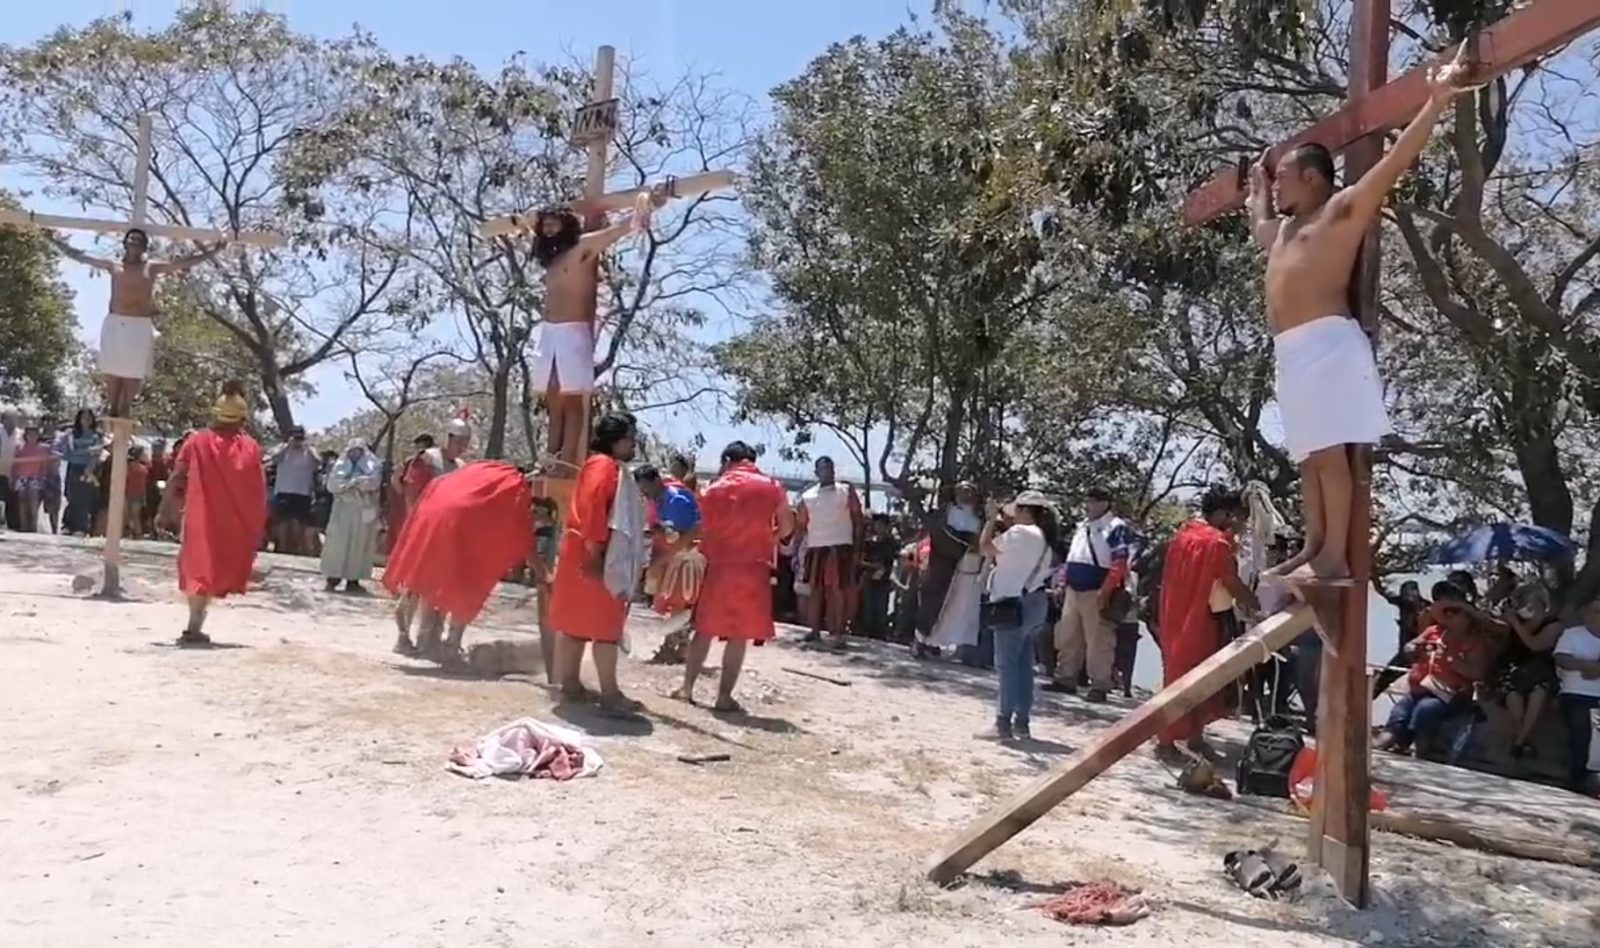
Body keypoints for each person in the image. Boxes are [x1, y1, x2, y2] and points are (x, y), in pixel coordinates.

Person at [1250, 53, 1475, 583]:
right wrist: (1258, 193)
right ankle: (1313, 545)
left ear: (1310, 178)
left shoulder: (1341, 210)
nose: (1278, 188)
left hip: (1329, 345)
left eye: (1283, 179)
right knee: (1307, 456)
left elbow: (1393, 166)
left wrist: (1436, 100)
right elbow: (1259, 224)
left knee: (1330, 454)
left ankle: (1335, 554)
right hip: (1292, 354)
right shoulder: (1282, 232)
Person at [527, 195, 655, 471]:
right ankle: (550, 457)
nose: (549, 230)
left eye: (553, 224)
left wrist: (648, 204)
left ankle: (565, 461)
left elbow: (615, 231)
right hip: (549, 333)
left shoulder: (581, 247)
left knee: (573, 400)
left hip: (572, 332)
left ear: (566, 225)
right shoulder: (549, 259)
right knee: (552, 398)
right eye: (545, 226)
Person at [46, 229, 228, 418]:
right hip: (116, 322)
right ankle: (112, 407)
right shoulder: (113, 265)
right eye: (130, 239)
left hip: (139, 325)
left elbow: (182, 263)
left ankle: (126, 407)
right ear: (124, 243)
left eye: (138, 240)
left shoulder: (152, 267)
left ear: (143, 246)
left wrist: (214, 251)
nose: (133, 242)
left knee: (133, 371)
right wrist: (54, 241)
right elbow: (81, 257)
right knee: (113, 369)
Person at [674, 440, 793, 711]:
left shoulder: (714, 488)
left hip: (719, 567)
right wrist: (767, 538)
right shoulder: (772, 487)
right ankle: (724, 697)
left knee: (704, 629)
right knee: (739, 634)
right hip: (753, 568)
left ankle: (687, 688)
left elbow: (701, 527)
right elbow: (787, 526)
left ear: (728, 460)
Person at [384, 459, 537, 664]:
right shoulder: (509, 484)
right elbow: (521, 534)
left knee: (419, 583)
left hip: (430, 519)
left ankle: (417, 640)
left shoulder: (470, 474)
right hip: (450, 526)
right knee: (458, 586)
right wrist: (542, 571)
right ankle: (446, 644)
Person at [548, 412, 646, 714]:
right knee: (605, 628)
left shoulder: (603, 466)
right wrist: (594, 555)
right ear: (615, 440)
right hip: (593, 556)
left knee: (578, 625)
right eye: (630, 438)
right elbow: (592, 511)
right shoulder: (603, 467)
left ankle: (571, 686)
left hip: (586, 553)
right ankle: (609, 694)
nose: (634, 445)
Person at [154, 385, 267, 646]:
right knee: (218, 568)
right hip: (234, 521)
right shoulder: (250, 447)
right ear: (242, 417)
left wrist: (163, 510)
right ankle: (195, 626)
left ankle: (194, 624)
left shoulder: (197, 440)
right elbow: (258, 488)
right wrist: (257, 525)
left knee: (198, 568)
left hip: (200, 517)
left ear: (215, 414)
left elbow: (176, 476)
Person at [1156, 486, 1260, 757]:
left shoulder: (1184, 535)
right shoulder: (1216, 543)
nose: (1239, 522)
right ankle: (1167, 739)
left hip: (1176, 612)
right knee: (1199, 676)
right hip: (1202, 618)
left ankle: (1192, 735)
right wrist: (1254, 604)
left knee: (1179, 672)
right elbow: (1230, 581)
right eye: (1236, 516)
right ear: (1223, 513)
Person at [1373, 583, 1498, 760]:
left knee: (1425, 710)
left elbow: (1478, 673)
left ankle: (1424, 752)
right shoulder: (1434, 632)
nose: (1449, 616)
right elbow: (1410, 646)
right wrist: (1414, 649)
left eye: (1455, 612)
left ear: (1467, 617)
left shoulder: (1474, 642)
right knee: (1400, 711)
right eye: (1447, 612)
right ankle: (1384, 746)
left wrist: (1453, 661)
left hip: (1449, 695)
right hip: (1419, 690)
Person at [976, 490, 1057, 742]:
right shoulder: (1042, 537)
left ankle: (1003, 722)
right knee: (1023, 665)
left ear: (1024, 510)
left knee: (1007, 665)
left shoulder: (1018, 533)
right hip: (1035, 601)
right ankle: (1022, 721)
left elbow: (985, 547)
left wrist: (990, 520)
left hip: (1013, 603)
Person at [1050, 487, 1135, 702]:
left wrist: (1106, 590)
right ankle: (1065, 677)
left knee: (1099, 640)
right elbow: (1073, 557)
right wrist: (1062, 582)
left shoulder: (1116, 528)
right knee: (1069, 635)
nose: (1088, 505)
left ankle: (1099, 684)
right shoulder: (1083, 526)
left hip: (1096, 589)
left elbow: (1119, 562)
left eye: (1092, 501)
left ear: (1105, 503)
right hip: (1074, 587)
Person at [797, 456, 864, 651]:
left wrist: (857, 548)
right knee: (815, 589)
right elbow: (801, 524)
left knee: (838, 590)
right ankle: (814, 630)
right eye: (823, 468)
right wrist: (795, 549)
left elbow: (857, 519)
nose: (828, 471)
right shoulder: (807, 496)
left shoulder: (846, 490)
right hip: (817, 546)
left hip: (841, 545)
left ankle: (838, 632)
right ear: (817, 472)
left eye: (830, 467)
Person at [1496, 584, 1563, 760]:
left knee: (1538, 693)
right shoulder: (1514, 621)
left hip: (1541, 670)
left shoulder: (1553, 624)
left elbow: (1535, 645)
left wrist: (1516, 624)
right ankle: (1522, 740)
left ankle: (1518, 742)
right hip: (1515, 669)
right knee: (1512, 693)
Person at [918, 483, 984, 657]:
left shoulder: (979, 519)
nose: (967, 494)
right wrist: (963, 541)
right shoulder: (945, 512)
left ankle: (936, 641)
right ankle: (920, 640)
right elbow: (941, 535)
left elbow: (978, 542)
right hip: (942, 561)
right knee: (932, 602)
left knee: (953, 605)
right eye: (962, 490)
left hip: (965, 567)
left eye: (971, 491)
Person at [321, 440, 383, 593]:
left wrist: (360, 482)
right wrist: (348, 484)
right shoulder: (339, 466)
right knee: (338, 544)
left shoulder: (373, 466)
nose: (355, 454)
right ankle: (333, 578)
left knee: (359, 544)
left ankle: (353, 580)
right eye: (352, 451)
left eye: (359, 451)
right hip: (343, 511)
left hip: (362, 512)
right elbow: (332, 485)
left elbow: (374, 483)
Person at [1553, 600, 1600, 795]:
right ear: (1586, 614)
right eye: (1596, 611)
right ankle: (1577, 779)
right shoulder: (1572, 635)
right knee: (1582, 732)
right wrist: (1584, 665)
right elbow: (1562, 659)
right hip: (1577, 693)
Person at [1372, 578, 1430, 697]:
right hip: (1405, 653)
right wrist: (1374, 578)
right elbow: (1385, 594)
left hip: (1419, 652)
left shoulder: (1426, 607)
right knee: (1385, 678)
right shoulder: (1403, 603)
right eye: (1406, 592)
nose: (1409, 596)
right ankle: (1372, 694)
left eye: (1411, 592)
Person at [269, 426, 319, 555]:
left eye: (300, 437)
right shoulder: (282, 448)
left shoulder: (309, 451)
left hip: (303, 492)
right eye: (295, 437)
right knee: (282, 522)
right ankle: (281, 548)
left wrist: (308, 448)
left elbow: (318, 463)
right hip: (283, 490)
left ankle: (296, 549)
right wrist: (287, 447)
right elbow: (273, 459)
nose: (298, 440)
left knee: (300, 523)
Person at [56, 409, 104, 536]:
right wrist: (89, 450)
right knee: (71, 496)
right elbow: (71, 451)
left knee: (84, 498)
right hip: (73, 467)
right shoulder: (71, 434)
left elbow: (98, 452)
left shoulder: (97, 435)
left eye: (89, 417)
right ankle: (68, 525)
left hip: (89, 468)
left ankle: (81, 527)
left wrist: (90, 467)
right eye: (84, 417)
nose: (86, 420)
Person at [387, 433, 435, 553]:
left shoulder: (436, 463)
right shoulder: (410, 463)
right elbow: (397, 481)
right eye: (418, 447)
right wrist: (403, 495)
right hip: (410, 506)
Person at [529, 497, 560, 682]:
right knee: (547, 628)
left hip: (550, 580)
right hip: (546, 580)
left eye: (540, 512)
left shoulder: (547, 532)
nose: (536, 516)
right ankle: (553, 675)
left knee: (550, 629)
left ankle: (555, 675)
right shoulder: (541, 532)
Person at [857, 514, 899, 640]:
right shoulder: (869, 543)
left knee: (881, 608)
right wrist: (873, 565)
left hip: (884, 580)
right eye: (877, 524)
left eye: (882, 524)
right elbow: (860, 561)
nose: (879, 527)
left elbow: (895, 559)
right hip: (869, 578)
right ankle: (867, 632)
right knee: (869, 607)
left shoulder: (892, 543)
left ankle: (880, 634)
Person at [9, 424, 54, 533]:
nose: (32, 436)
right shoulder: (20, 447)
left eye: (34, 434)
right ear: (26, 435)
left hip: (36, 478)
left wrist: (46, 477)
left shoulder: (44, 448)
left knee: (34, 504)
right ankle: (24, 527)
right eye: (30, 434)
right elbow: (15, 464)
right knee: (22, 503)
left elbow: (48, 464)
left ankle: (33, 528)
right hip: (22, 477)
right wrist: (13, 477)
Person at [124, 445, 150, 539]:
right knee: (135, 515)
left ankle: (131, 532)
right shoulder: (140, 468)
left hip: (131, 493)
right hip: (135, 493)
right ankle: (137, 533)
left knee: (128, 514)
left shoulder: (128, 466)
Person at [0, 409, 17, 530]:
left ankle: (13, 527)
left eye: (13, 418)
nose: (11, 421)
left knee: (12, 501)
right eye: (8, 418)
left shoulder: (20, 434)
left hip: (14, 473)